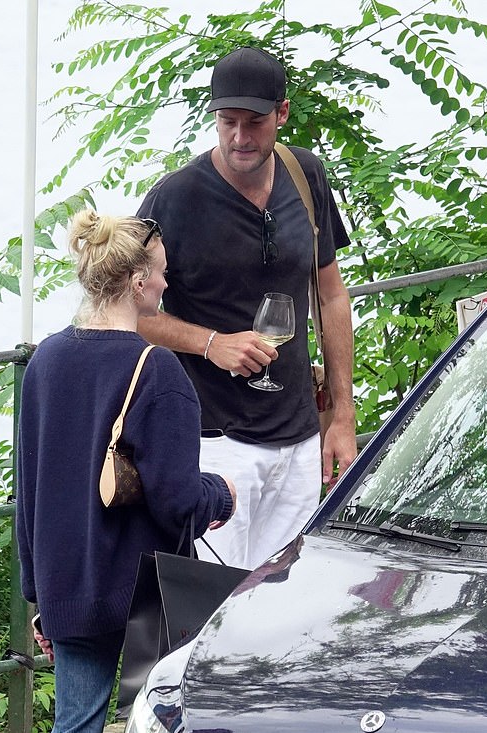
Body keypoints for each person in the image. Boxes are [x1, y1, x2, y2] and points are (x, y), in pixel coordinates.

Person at [0, 210, 236, 733]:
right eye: (161, 268)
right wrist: (220, 494)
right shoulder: (155, 370)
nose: (168, 279)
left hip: (70, 590)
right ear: (138, 282)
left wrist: (38, 597)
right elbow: (173, 497)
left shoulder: (45, 363)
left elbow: (27, 489)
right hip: (144, 599)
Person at [137, 45, 356, 571]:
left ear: (281, 113)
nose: (239, 137)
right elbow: (130, 314)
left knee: (283, 608)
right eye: (226, 122)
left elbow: (331, 295)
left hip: (301, 438)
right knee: (217, 609)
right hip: (216, 445)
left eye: (253, 122)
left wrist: (342, 416)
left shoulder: (306, 177)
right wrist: (212, 344)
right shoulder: (174, 200)